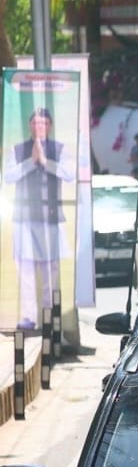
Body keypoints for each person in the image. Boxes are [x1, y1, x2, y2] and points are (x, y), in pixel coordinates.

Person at [4, 107, 74, 331]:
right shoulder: (16, 150)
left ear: (49, 126)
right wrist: (30, 163)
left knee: (49, 269)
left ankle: (49, 315)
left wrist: (44, 161)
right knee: (25, 269)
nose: (39, 127)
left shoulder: (61, 149)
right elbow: (8, 176)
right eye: (35, 123)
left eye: (43, 123)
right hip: (24, 219)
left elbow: (69, 174)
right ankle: (28, 317)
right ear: (30, 126)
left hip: (49, 219)